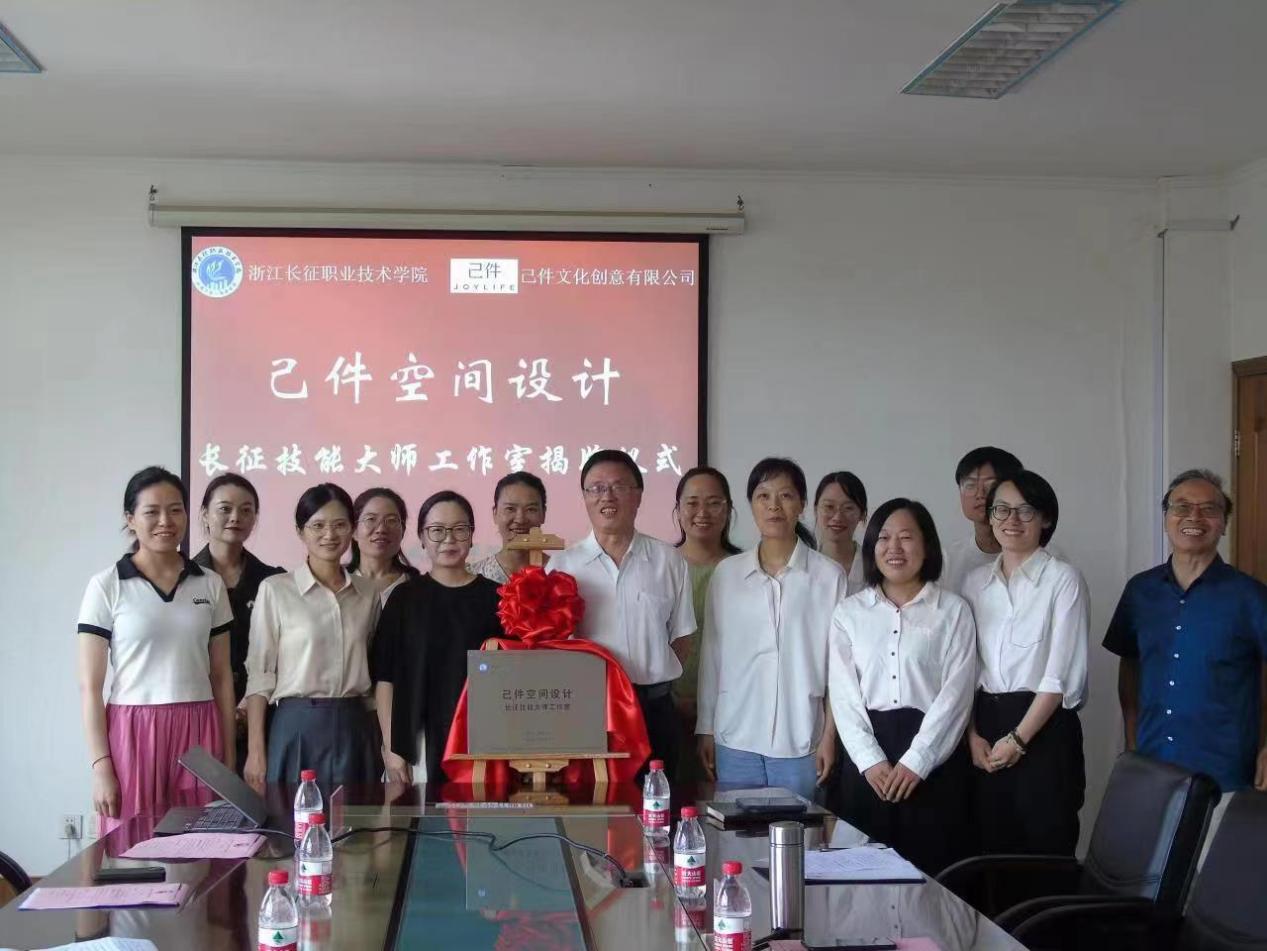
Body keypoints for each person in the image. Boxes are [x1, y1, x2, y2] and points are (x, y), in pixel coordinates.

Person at [78, 466, 236, 826]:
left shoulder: (209, 583)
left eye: (175, 510)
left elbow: (222, 676)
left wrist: (228, 756)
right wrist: (101, 766)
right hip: (134, 730)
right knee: (133, 841)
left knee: (201, 840)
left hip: (199, 727)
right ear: (130, 519)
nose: (166, 521)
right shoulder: (106, 585)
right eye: (152, 511)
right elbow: (89, 686)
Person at [829, 498, 976, 873]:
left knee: (933, 874)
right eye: (884, 537)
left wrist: (918, 761)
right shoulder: (849, 613)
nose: (894, 547)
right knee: (861, 875)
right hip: (868, 760)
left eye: (907, 537)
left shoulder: (953, 611)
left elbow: (956, 696)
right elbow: (844, 697)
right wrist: (870, 761)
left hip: (934, 758)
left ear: (927, 546)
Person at [1104, 469, 1267, 793]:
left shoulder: (1251, 596)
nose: (1194, 517)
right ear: (1166, 518)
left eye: (1209, 509)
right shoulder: (1140, 591)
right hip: (1152, 763)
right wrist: (1133, 738)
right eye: (1182, 507)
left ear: (1224, 523)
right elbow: (1130, 665)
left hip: (1226, 769)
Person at [696, 458, 844, 801]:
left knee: (801, 833)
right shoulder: (727, 574)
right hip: (736, 737)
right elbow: (712, 656)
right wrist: (706, 728)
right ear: (750, 504)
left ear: (802, 504)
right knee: (737, 833)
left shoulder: (828, 576)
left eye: (786, 496)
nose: (774, 506)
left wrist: (830, 737)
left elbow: (839, 668)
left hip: (801, 738)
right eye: (763, 496)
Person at [547, 449, 695, 779]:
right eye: (596, 488)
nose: (607, 496)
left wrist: (652, 674)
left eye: (618, 486)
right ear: (585, 497)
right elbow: (554, 647)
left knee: (657, 803)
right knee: (594, 803)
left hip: (655, 710)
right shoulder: (562, 566)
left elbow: (682, 639)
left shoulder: (668, 560)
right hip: (590, 711)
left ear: (638, 495)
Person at [963, 470, 1089, 856]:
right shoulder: (974, 583)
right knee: (987, 848)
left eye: (1026, 510)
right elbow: (964, 670)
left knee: (1044, 850)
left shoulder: (1063, 579)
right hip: (985, 727)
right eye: (1001, 510)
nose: (1012, 520)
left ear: (1045, 518)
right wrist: (971, 736)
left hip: (1044, 729)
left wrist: (1019, 739)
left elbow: (1059, 674)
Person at [243, 483, 382, 794]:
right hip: (296, 726)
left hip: (355, 726)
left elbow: (374, 666)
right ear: (300, 531)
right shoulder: (276, 590)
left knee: (357, 817)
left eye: (339, 525)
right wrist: (256, 750)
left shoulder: (368, 593)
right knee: (294, 816)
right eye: (317, 525)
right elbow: (260, 674)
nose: (329, 535)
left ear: (352, 529)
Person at [374, 491, 503, 784]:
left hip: (480, 742)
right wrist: (392, 749)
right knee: (417, 813)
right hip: (416, 742)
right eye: (437, 530)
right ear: (422, 537)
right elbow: (385, 679)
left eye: (459, 529)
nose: (449, 539)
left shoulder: (496, 598)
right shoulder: (404, 598)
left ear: (472, 535)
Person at [191, 473, 285, 774]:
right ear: (204, 514)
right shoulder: (182, 580)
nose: (235, 517)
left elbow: (283, 652)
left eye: (246, 510)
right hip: (197, 714)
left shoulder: (274, 580)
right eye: (225, 509)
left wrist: (244, 708)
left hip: (260, 716)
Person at [670, 466, 741, 783]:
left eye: (714, 503)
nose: (703, 512)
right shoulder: (660, 565)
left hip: (731, 715)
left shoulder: (745, 570)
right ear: (678, 509)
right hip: (666, 710)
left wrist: (712, 708)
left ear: (728, 510)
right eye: (692, 503)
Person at [941, 447, 1023, 595]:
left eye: (990, 485)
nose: (980, 494)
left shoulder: (1047, 559)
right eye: (970, 485)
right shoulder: (948, 560)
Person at [469, 472, 548, 584]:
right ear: (495, 514)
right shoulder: (474, 575)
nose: (520, 519)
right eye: (510, 509)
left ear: (543, 514)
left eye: (531, 509)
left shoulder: (561, 571)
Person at [348, 487, 419, 607]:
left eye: (391, 520)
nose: (381, 529)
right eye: (371, 519)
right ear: (354, 530)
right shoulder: (338, 584)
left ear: (403, 531)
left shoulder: (418, 587)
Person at [814, 471, 869, 592]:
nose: (838, 517)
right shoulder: (800, 568)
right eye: (829, 507)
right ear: (815, 510)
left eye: (848, 508)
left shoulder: (876, 569)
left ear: (862, 514)